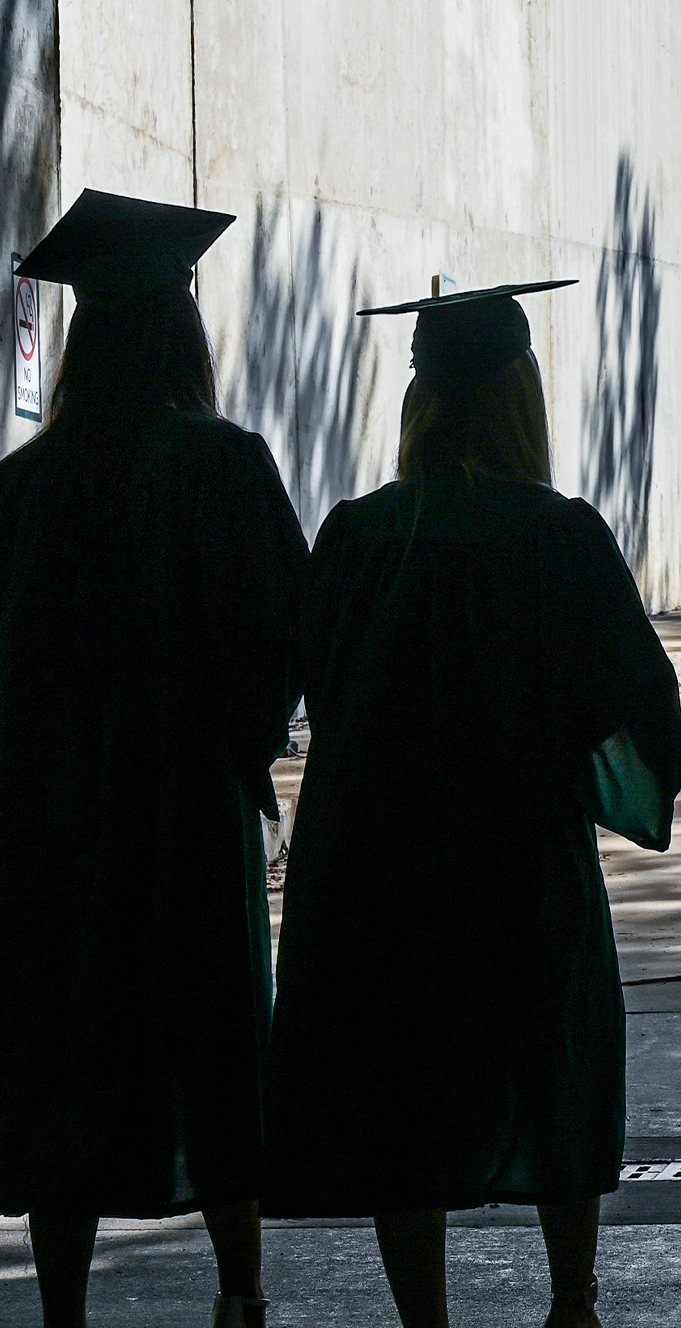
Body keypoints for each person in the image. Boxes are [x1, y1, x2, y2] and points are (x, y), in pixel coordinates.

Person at [261, 279, 681, 1328]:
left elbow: (292, 677)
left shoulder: (357, 534)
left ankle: (426, 1320)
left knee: (402, 1084)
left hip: (374, 861)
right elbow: (631, 708)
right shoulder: (558, 534)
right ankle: (572, 1302)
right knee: (555, 1060)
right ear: (520, 399)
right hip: (517, 855)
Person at [0, 190, 304, 1328]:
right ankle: (241, 1296)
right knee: (218, 1050)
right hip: (187, 819)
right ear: (185, 331)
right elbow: (278, 641)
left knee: (67, 1053)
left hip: (48, 826)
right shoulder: (223, 464)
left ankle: (64, 1312)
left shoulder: (20, 489)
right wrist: (246, 743)